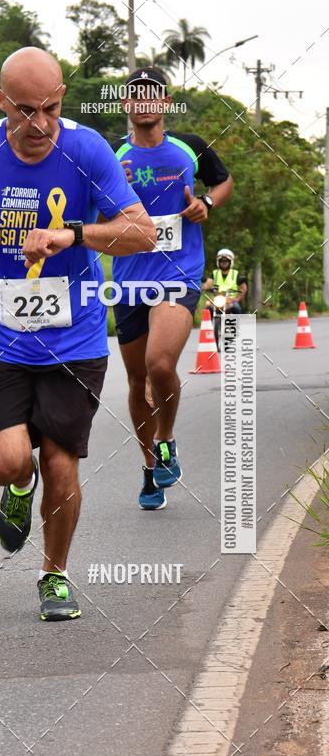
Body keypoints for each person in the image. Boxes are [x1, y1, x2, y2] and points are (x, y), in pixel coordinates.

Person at [0, 47, 155, 620]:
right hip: (1, 336)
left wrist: (72, 235)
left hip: (73, 337)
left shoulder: (87, 150)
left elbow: (142, 233)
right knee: (5, 462)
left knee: (60, 461)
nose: (40, 124)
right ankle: (16, 490)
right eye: (25, 110)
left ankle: (54, 575)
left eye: (51, 108)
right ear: (1, 102)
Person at [111, 67, 233, 510]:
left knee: (159, 364)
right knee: (136, 378)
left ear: (164, 103)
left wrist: (207, 203)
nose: (144, 102)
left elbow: (222, 180)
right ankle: (149, 468)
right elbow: (88, 206)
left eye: (153, 95)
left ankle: (166, 440)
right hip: (128, 281)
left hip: (178, 273)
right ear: (127, 105)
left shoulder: (189, 148)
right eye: (136, 96)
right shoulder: (112, 155)